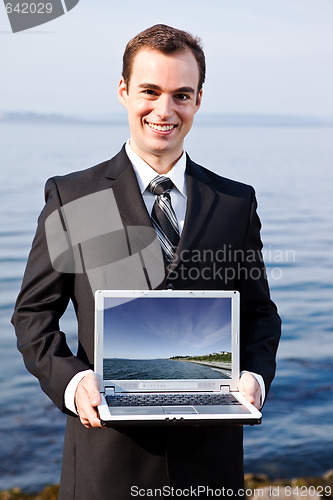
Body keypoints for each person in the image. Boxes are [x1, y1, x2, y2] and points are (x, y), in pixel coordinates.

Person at [12, 24, 281, 499]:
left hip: (209, 462)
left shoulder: (235, 202)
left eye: (181, 94)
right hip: (106, 459)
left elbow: (260, 313)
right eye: (150, 91)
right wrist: (73, 382)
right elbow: (33, 316)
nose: (164, 109)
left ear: (198, 100)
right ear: (123, 92)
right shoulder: (74, 196)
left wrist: (254, 375)